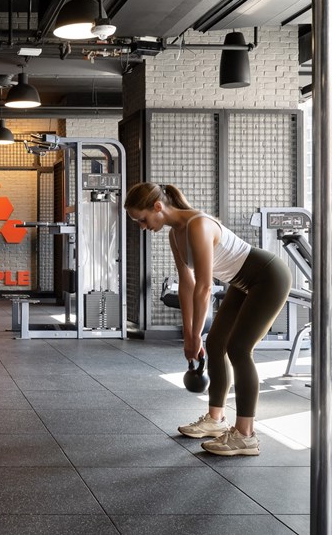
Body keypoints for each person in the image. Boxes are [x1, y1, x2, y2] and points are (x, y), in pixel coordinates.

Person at [124, 182, 291, 456]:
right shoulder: (175, 235)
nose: (142, 226)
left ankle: (246, 435)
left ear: (157, 207)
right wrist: (189, 336)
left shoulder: (198, 225)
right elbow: (186, 285)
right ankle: (215, 420)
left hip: (268, 277)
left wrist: (194, 334)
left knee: (239, 349)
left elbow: (204, 287)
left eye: (142, 219)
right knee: (215, 345)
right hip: (242, 282)